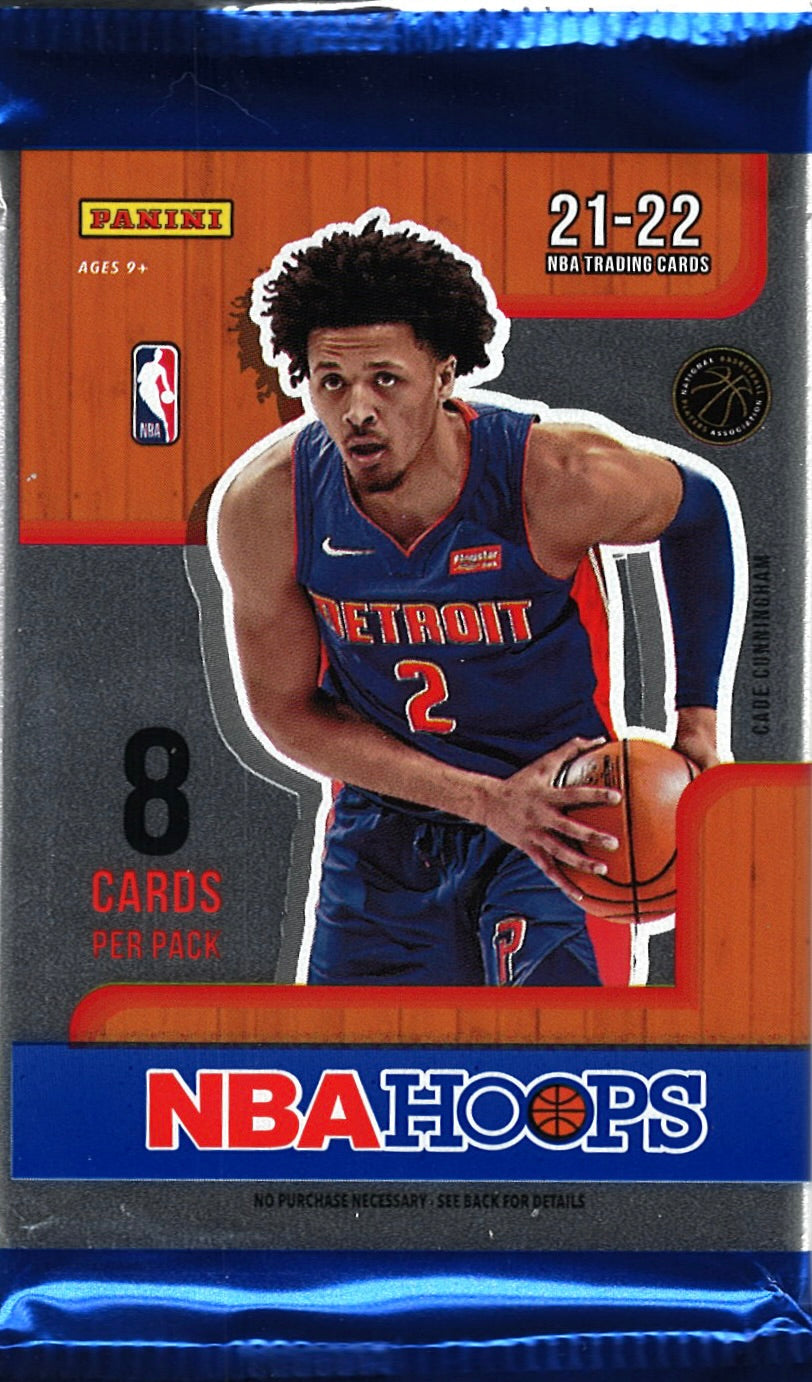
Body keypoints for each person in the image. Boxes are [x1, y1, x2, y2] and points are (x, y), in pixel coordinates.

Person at [214, 212, 737, 987]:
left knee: (552, 1056)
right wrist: (485, 800)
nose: (357, 409)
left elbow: (699, 513)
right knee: (351, 1065)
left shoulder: (554, 476)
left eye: (385, 378)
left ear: (445, 373)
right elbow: (286, 712)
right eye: (331, 381)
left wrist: (697, 724)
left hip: (564, 813)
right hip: (384, 830)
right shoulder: (269, 505)